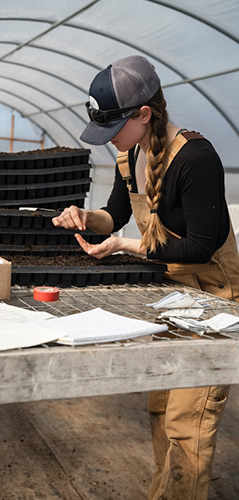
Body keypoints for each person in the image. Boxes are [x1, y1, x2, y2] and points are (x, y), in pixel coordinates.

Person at [52, 55, 239, 500]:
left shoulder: (196, 157)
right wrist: (84, 218)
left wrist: (124, 245)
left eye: (114, 127)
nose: (109, 140)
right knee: (161, 407)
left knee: (187, 423)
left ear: (143, 114)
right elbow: (114, 216)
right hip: (172, 295)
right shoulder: (130, 153)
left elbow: (199, 247)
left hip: (216, 301)